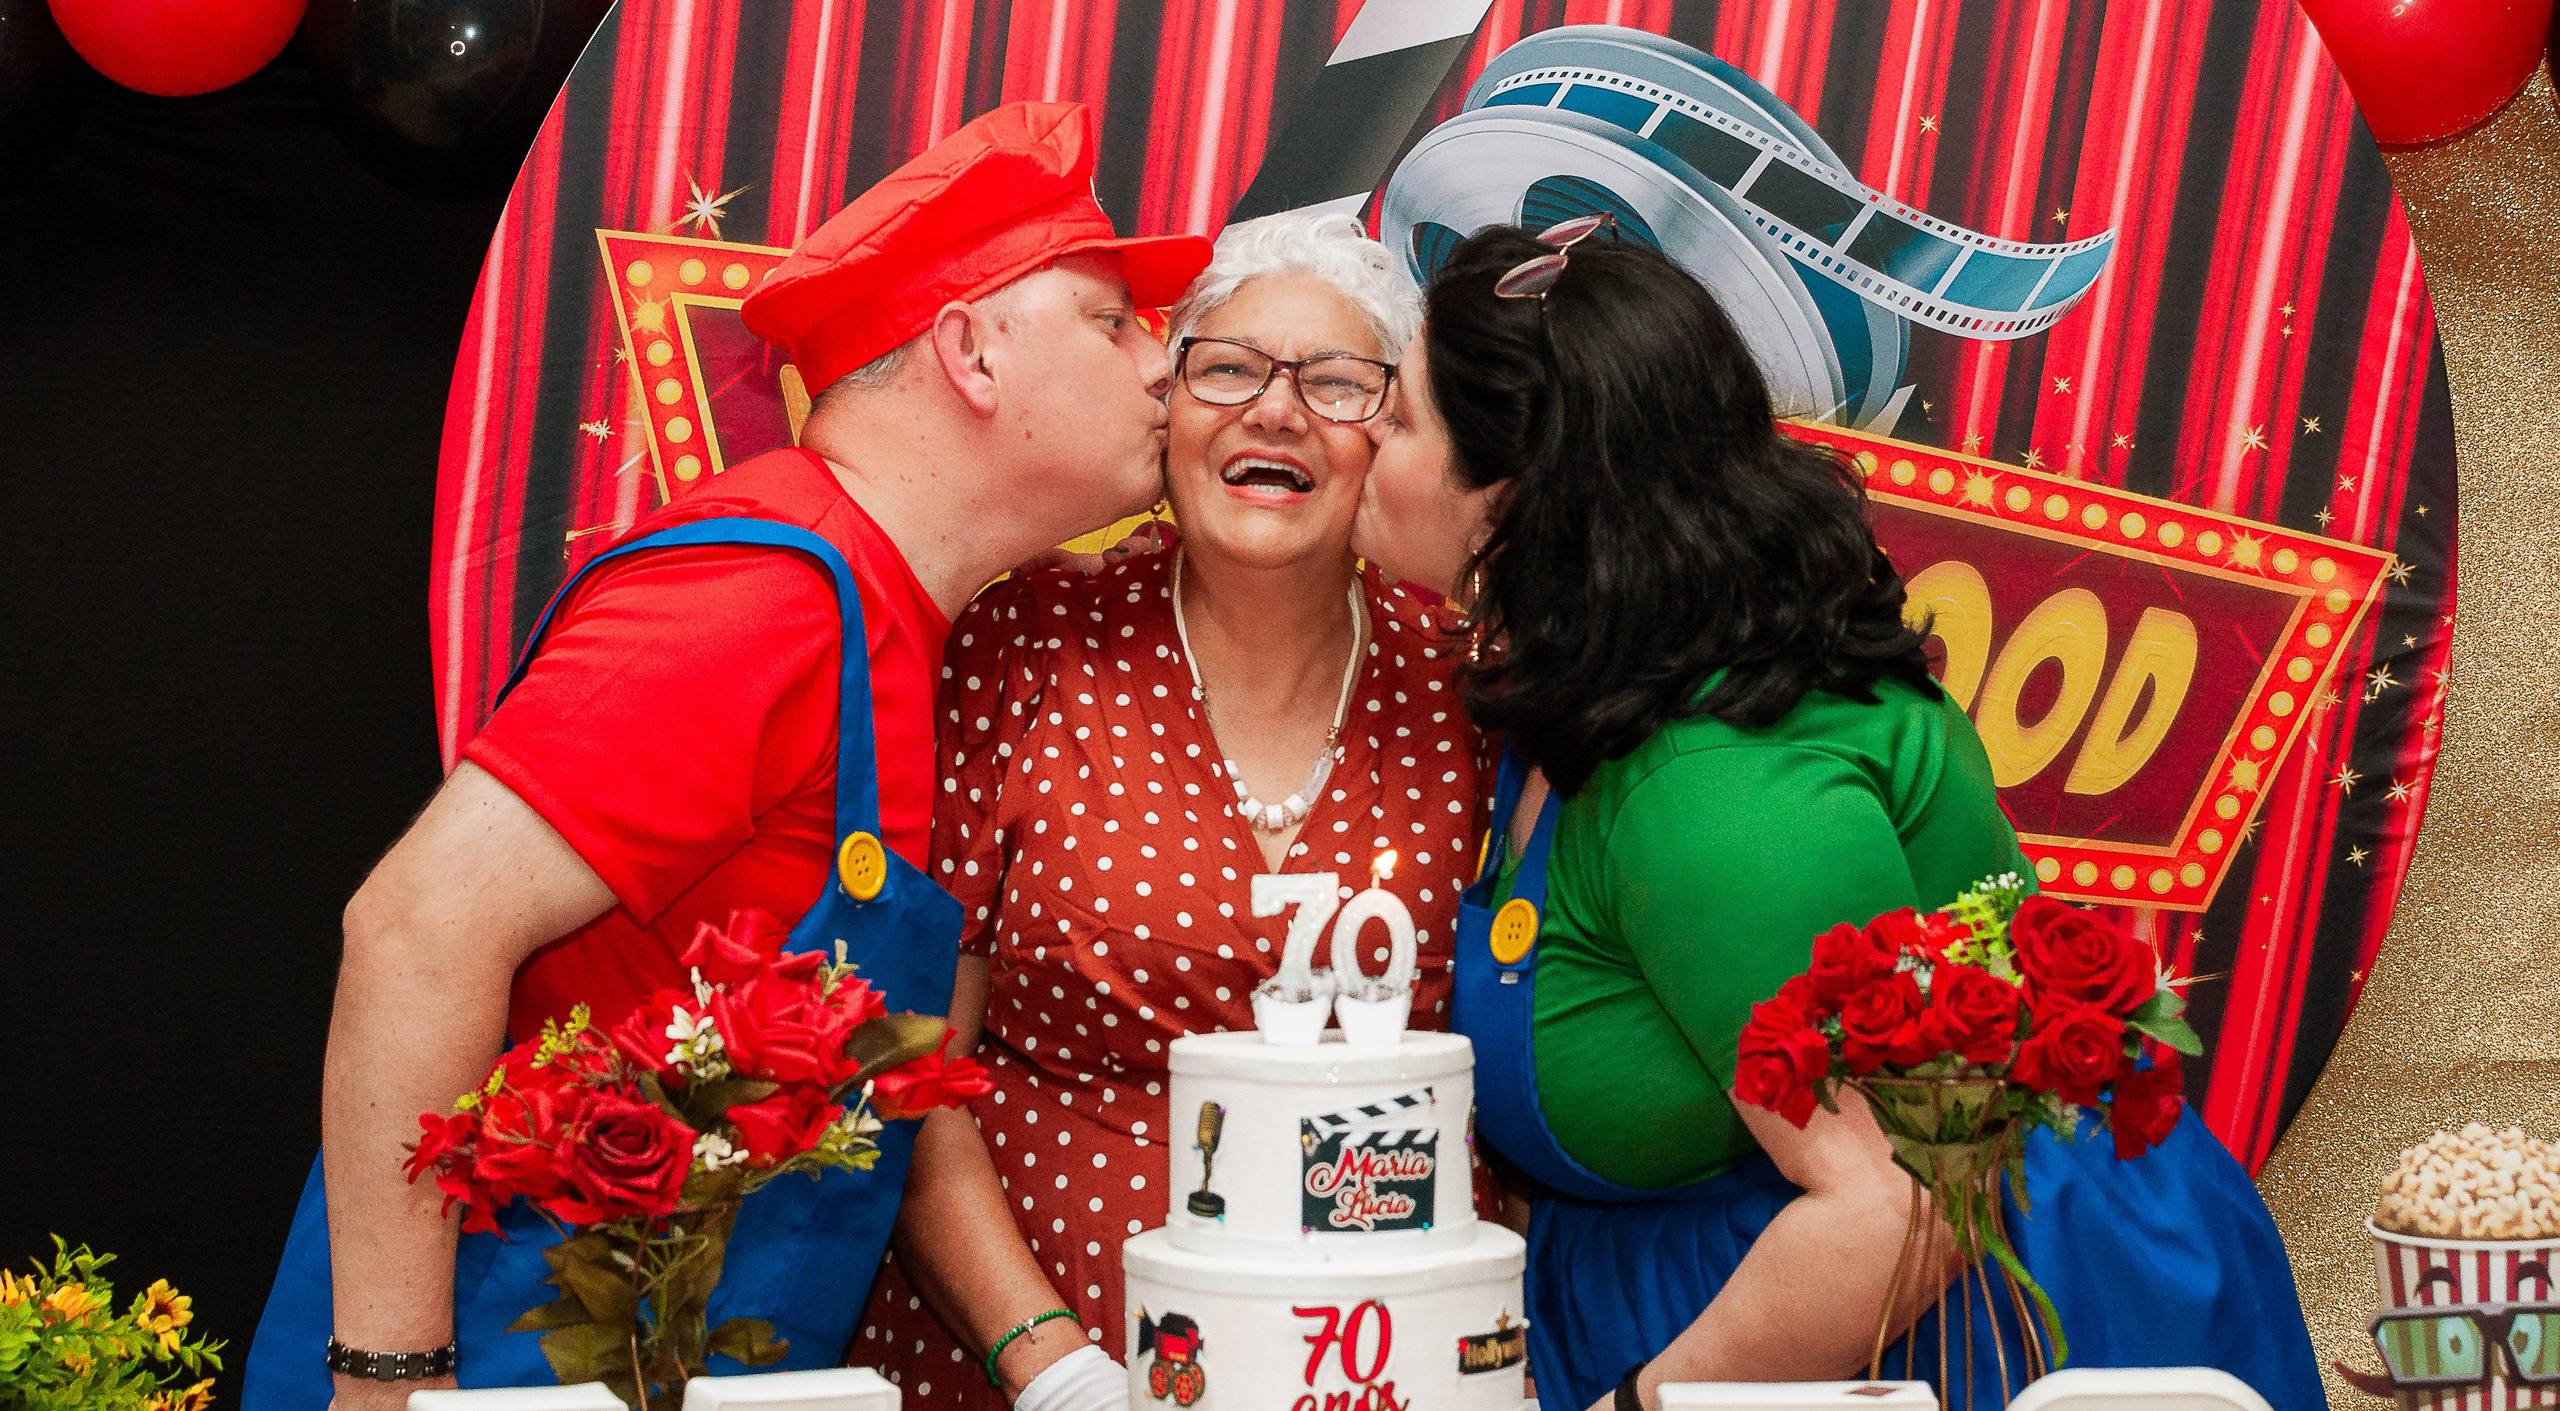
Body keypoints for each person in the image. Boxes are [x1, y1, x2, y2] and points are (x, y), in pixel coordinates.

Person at [243, 102, 1212, 1411]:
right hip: (507, 1373)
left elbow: (873, 1083)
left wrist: (1049, 1368)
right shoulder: (762, 595)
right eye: (1111, 321)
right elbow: (416, 928)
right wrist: (391, 1384)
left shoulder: (892, 625)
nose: (1162, 366)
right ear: (972, 352)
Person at [1348, 218, 2328, 1411]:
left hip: (1962, 1334)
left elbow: (1901, 1204)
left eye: (1397, 418)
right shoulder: (1595, 686)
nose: (1363, 441)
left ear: (1506, 504)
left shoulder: (1712, 790)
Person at [849, 214, 1491, 1407]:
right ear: (1166, 409)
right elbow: (910, 1054)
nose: (1276, 408)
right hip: (1028, 1362)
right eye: (1228, 366)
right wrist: (1049, 1363)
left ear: (1393, 439)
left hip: (1386, 1362)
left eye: (1341, 382)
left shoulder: (1469, 683)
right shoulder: (1029, 639)